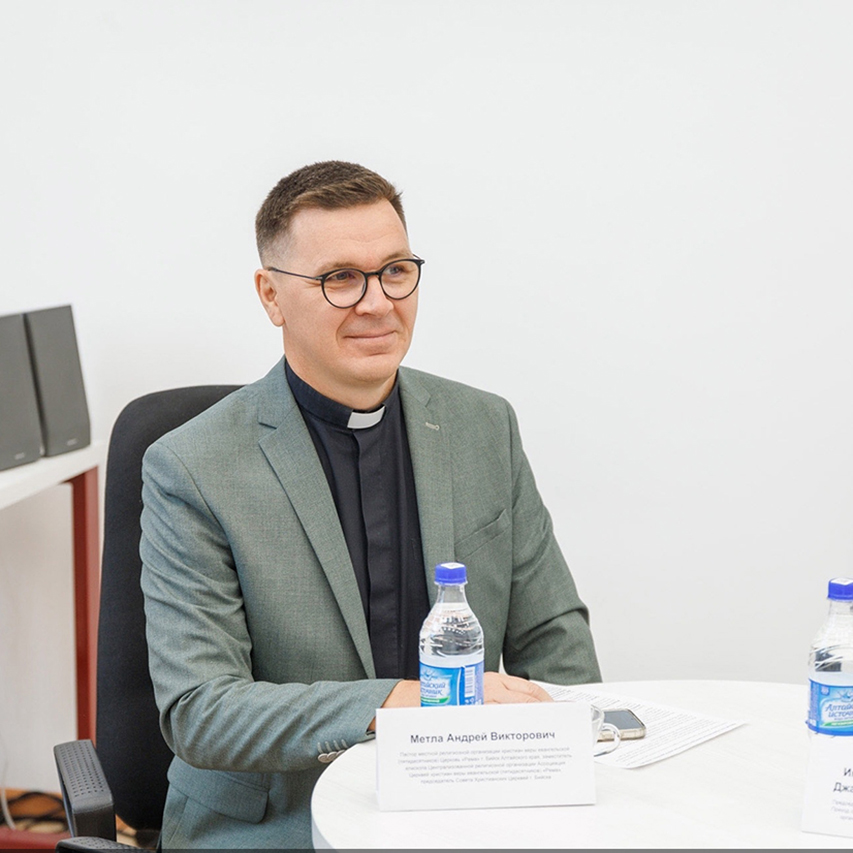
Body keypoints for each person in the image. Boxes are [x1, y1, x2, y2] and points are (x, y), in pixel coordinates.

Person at [140, 160, 601, 849]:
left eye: (395, 270)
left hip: (469, 803)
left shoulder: (484, 426)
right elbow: (201, 711)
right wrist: (405, 701)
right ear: (271, 296)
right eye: (340, 278)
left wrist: (579, 751)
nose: (378, 302)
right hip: (281, 822)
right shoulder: (191, 465)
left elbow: (553, 639)